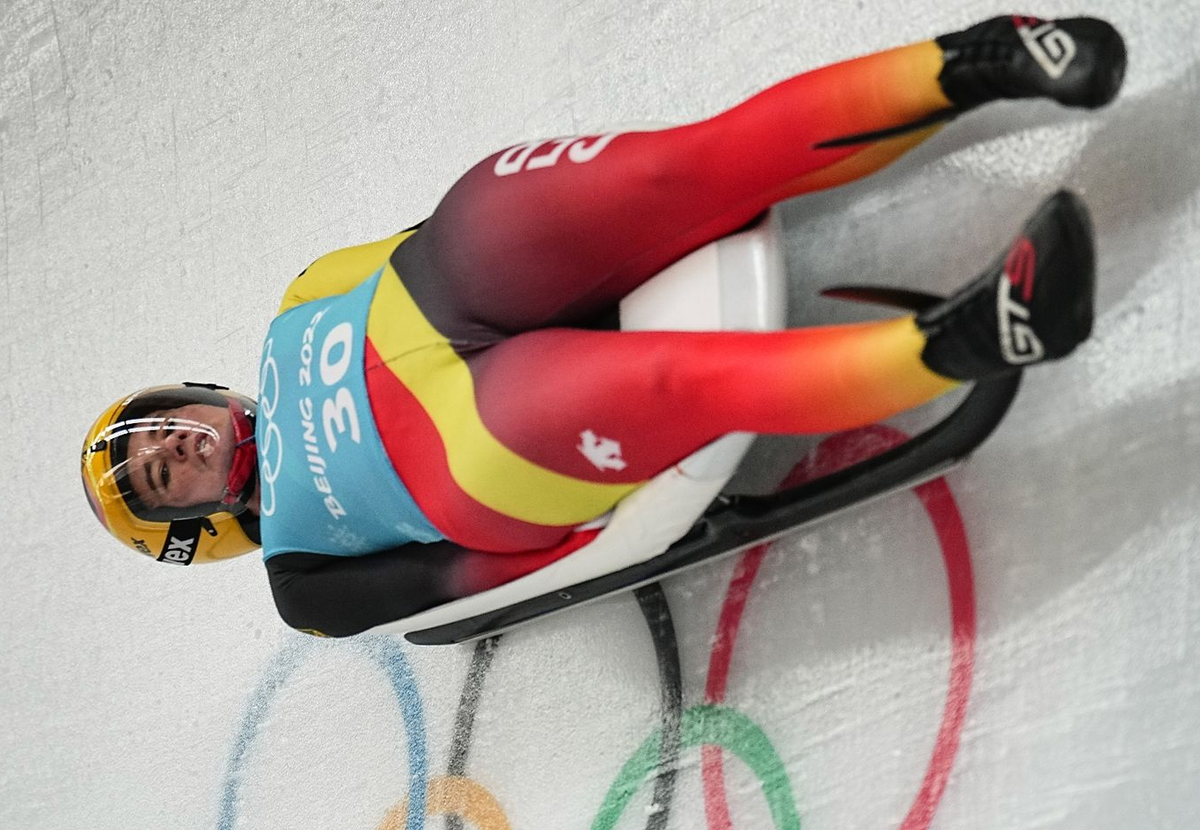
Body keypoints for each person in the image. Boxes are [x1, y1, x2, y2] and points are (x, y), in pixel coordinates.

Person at [81, 14, 1126, 636]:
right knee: (681, 380)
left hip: (453, 278)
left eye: (165, 428)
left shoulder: (300, 296)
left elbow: (418, 242)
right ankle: (974, 335)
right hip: (469, 452)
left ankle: (988, 59)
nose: (180, 447)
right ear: (196, 527)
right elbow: (450, 587)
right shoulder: (297, 581)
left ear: (195, 396)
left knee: (686, 167)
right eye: (166, 476)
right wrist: (601, 543)